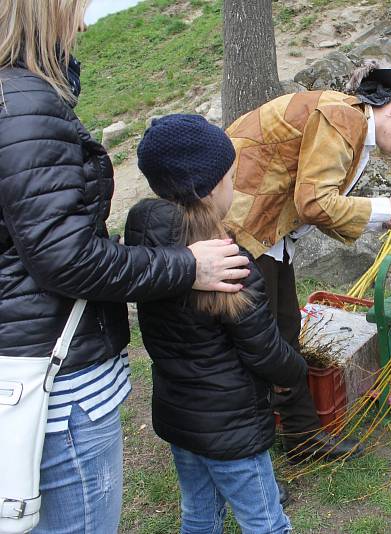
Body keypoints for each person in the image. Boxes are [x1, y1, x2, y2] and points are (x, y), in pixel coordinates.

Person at [0, 3, 249, 533]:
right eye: (74, 9)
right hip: (56, 379)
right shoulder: (24, 105)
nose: (83, 23)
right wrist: (186, 266)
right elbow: (63, 258)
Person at [223, 59, 391, 463]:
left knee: (284, 333)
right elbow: (313, 203)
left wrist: (383, 220)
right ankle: (250, 460)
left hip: (264, 232)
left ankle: (302, 437)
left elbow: (318, 203)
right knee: (259, 346)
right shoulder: (342, 117)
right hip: (241, 226)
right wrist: (386, 207)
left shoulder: (350, 125)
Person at [125, 114, 306, 534]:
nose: (234, 186)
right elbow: (262, 348)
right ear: (208, 188)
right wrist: (295, 372)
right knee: (265, 521)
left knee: (199, 516)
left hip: (180, 416)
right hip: (232, 426)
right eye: (230, 177)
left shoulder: (145, 246)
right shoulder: (227, 263)